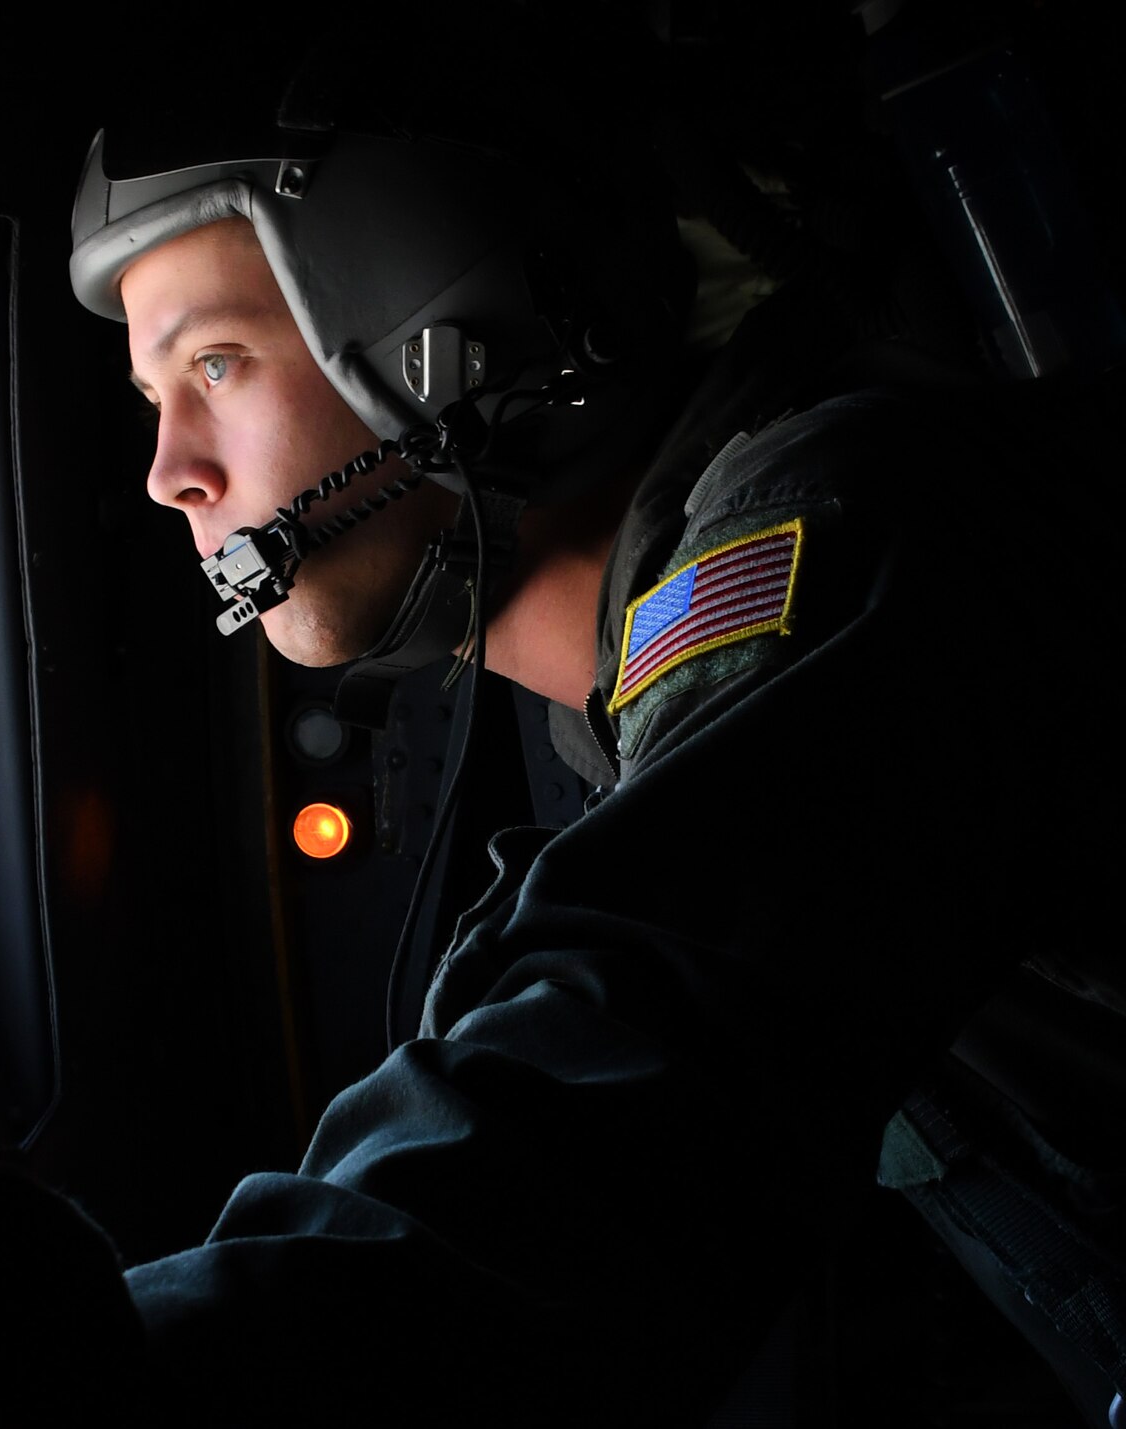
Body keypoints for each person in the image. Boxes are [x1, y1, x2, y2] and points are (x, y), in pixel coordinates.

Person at [64, 4, 1125, 1424]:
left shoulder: (845, 535)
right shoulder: (626, 714)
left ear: (440, 318)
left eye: (213, 365)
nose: (166, 474)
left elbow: (592, 1127)